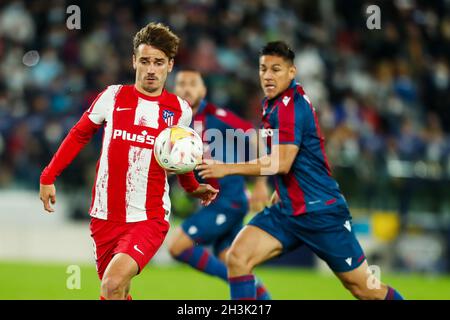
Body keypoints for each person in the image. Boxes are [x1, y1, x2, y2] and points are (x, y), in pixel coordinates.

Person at [197, 41, 404, 300]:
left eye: (276, 69)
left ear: (291, 72)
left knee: (364, 289)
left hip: (320, 211)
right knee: (238, 257)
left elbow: (281, 162)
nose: (268, 76)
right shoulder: (274, 102)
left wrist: (225, 169)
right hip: (287, 209)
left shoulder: (290, 107)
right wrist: (281, 188)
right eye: (263, 69)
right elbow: (287, 160)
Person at [39, 22, 218, 300]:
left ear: (170, 65)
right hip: (104, 215)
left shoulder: (179, 110)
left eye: (158, 62)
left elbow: (181, 161)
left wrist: (193, 186)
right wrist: (48, 176)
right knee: (119, 292)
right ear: (134, 60)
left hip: (148, 217)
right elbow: (78, 135)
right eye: (145, 61)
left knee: (110, 285)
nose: (150, 69)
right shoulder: (112, 97)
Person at [168, 69, 271, 299]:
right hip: (213, 201)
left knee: (178, 246)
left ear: (203, 90)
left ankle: (253, 288)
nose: (186, 88)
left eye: (193, 84)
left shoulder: (217, 115)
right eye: (181, 83)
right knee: (233, 261)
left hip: (228, 199)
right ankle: (261, 296)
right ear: (175, 89)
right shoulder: (176, 123)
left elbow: (254, 136)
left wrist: (262, 183)